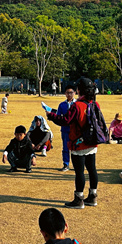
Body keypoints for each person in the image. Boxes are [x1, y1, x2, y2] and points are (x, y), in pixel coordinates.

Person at [45, 77, 102, 208]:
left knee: (79, 172)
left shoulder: (77, 105)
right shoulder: (95, 104)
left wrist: (51, 115)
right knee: (92, 169)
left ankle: (79, 199)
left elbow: (65, 120)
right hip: (92, 141)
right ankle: (92, 196)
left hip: (78, 142)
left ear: (79, 90)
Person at [55, 85, 76, 171]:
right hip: (65, 130)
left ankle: (77, 165)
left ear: (74, 93)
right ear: (65, 94)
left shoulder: (77, 104)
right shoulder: (62, 105)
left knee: (76, 148)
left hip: (75, 130)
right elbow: (58, 116)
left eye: (71, 92)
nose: (69, 94)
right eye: (67, 93)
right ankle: (66, 164)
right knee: (65, 148)